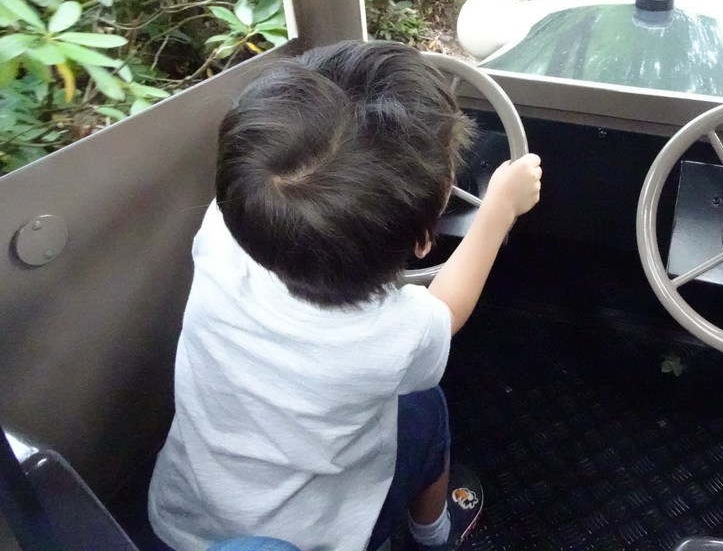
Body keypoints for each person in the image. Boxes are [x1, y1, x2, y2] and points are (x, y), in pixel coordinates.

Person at [148, 40, 542, 551]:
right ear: (424, 241)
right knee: (426, 409)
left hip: (189, 514)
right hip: (319, 535)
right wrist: (497, 212)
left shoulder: (222, 232)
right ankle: (435, 532)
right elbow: (446, 311)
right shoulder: (393, 336)